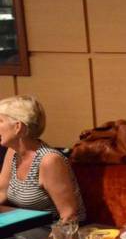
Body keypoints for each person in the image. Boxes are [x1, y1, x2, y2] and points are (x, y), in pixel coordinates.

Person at [0, 95, 85, 223]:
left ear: (18, 127)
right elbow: (2, 192)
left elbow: (69, 214)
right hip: (27, 226)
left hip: (54, 228)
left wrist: (55, 235)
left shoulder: (49, 160)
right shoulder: (12, 152)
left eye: (0, 121)